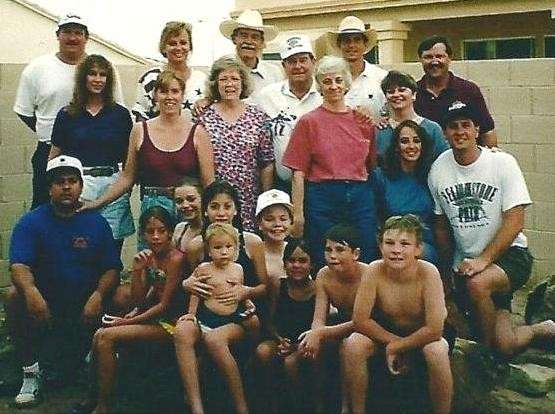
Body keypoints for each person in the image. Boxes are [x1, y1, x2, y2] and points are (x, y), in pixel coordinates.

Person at [428, 102, 555, 356]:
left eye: (466, 125)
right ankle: (542, 329)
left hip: (510, 256)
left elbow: (515, 221)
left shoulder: (502, 163)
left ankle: (484, 359)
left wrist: (483, 261)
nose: (460, 131)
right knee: (505, 345)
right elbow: (441, 226)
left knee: (478, 285)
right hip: (467, 263)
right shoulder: (439, 168)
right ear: (445, 132)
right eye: (453, 126)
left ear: (477, 130)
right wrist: (446, 271)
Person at [6, 155, 121, 408]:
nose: (66, 187)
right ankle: (30, 374)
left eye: (72, 181)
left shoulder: (96, 221)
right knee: (14, 296)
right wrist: (31, 293)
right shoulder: (31, 222)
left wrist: (98, 295)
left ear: (81, 186)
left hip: (87, 301)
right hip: (46, 303)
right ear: (49, 188)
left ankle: (97, 363)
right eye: (60, 182)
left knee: (123, 294)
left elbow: (112, 268)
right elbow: (19, 266)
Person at [81, 70, 214, 225]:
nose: (169, 97)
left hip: (188, 209)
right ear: (155, 96)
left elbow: (208, 182)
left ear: (182, 95)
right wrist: (97, 203)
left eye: (175, 91)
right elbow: (127, 177)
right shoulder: (140, 130)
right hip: (152, 209)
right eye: (163, 91)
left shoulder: (198, 133)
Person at [283, 56, 378, 267]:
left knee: (365, 255)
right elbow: (298, 172)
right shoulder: (308, 122)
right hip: (323, 197)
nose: (333, 86)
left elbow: (371, 166)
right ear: (319, 86)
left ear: (346, 83)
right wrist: (298, 214)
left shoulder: (362, 120)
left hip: (360, 196)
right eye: (327, 81)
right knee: (325, 257)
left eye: (338, 80)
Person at [88, 206, 185, 414]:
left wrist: (126, 322)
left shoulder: (176, 259)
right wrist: (138, 270)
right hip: (153, 318)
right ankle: (94, 396)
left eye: (161, 231)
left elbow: (164, 305)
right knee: (99, 335)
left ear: (170, 232)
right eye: (150, 232)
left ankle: (103, 406)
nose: (156, 237)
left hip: (172, 323)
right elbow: (138, 300)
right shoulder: (151, 257)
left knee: (106, 337)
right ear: (142, 234)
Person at [352, 215, 453, 414]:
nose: (396, 250)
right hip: (388, 331)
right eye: (389, 243)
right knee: (354, 344)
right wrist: (395, 343)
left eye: (405, 244)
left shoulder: (429, 272)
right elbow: (360, 320)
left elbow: (435, 329)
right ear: (380, 246)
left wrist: (397, 347)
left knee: (437, 350)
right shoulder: (374, 270)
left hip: (424, 335)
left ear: (418, 249)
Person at [49, 54, 134, 255]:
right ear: (83, 78)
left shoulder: (120, 115)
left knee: (111, 250)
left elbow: (129, 162)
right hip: (80, 186)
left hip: (113, 187)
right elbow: (54, 157)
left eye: (103, 75)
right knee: (80, 247)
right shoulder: (67, 114)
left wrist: (123, 190)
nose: (98, 79)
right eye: (92, 74)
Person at [176, 223, 255, 414]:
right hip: (207, 318)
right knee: (189, 336)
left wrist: (249, 303)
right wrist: (191, 314)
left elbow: (240, 291)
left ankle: (240, 404)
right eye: (218, 247)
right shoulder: (203, 268)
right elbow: (196, 292)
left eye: (228, 247)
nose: (224, 251)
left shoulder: (238, 269)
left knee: (217, 345)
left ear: (236, 249)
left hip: (232, 319)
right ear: (209, 251)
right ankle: (196, 405)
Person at [13, 14, 90, 209]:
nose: (72, 38)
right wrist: (53, 133)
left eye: (78, 33)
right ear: (58, 35)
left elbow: (115, 108)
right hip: (48, 151)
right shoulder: (37, 68)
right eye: (67, 32)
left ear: (86, 38)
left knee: (85, 211)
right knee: (45, 209)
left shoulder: (99, 67)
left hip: (90, 152)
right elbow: (24, 111)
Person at [298, 224, 369, 413]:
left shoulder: (368, 275)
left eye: (339, 250)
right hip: (342, 323)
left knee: (348, 346)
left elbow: (361, 322)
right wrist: (314, 335)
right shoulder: (323, 274)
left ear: (356, 253)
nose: (332, 256)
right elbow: (319, 317)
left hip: (370, 326)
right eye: (328, 250)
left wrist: (320, 333)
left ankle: (347, 407)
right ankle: (317, 406)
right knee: (309, 345)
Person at [199, 56, 275, 231]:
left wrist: (265, 199)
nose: (229, 84)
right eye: (223, 79)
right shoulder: (204, 117)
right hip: (217, 202)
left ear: (243, 82)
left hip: (249, 199)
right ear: (215, 84)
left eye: (234, 79)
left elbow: (266, 162)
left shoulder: (258, 117)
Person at [180, 180, 269, 318]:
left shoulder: (252, 242)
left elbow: (265, 287)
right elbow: (190, 281)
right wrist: (186, 284)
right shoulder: (195, 246)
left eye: (227, 207)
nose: (221, 213)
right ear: (205, 211)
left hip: (242, 314)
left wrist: (246, 292)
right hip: (206, 312)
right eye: (214, 207)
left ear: (236, 210)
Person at [252, 238, 316, 413]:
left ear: (311, 265)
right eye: (291, 260)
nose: (296, 265)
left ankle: (298, 407)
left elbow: (319, 325)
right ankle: (272, 404)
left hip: (307, 343)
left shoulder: (318, 288)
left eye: (302, 261)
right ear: (284, 263)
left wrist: (296, 346)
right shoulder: (277, 284)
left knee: (290, 363)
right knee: (263, 351)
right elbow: (270, 321)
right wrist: (280, 340)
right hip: (281, 339)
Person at [253, 34, 322, 192]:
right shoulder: (267, 96)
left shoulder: (326, 93)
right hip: (280, 185)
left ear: (313, 62)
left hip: (319, 186)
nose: (298, 66)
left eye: (303, 60)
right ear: (283, 65)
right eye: (292, 61)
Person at [373, 120, 439, 265]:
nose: (411, 146)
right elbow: (374, 217)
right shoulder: (381, 176)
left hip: (423, 243)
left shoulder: (432, 174)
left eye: (416, 141)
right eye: (404, 141)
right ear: (396, 147)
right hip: (391, 241)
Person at [414, 35, 497, 147]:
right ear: (420, 59)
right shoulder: (413, 93)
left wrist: (491, 154)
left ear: (449, 58)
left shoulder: (468, 90)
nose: (434, 61)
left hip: (462, 156)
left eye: (439, 56)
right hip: (427, 157)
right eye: (428, 57)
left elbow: (487, 130)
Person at [132, 21, 206, 122]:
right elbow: (141, 115)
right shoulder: (150, 78)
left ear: (190, 46)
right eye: (172, 43)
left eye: (183, 43)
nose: (178, 48)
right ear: (163, 47)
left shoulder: (202, 80)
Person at [376, 70, 449, 162]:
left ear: (414, 95)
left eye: (402, 90)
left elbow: (444, 161)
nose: (396, 94)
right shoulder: (380, 130)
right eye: (391, 92)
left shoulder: (432, 129)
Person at [326, 15, 387, 118]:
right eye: (347, 41)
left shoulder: (381, 77)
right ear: (339, 45)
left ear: (365, 44)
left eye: (357, 40)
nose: (351, 45)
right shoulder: (329, 79)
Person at [219, 9, 282, 99]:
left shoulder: (274, 73)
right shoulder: (221, 71)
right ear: (234, 39)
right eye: (244, 36)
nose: (249, 41)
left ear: (262, 43)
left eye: (255, 37)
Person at [255, 189, 294, 294]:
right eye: (269, 219)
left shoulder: (298, 251)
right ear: (259, 223)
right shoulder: (253, 254)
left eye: (283, 219)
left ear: (291, 221)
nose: (277, 224)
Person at [172, 178, 203, 253]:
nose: (185, 205)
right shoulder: (180, 229)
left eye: (191, 199)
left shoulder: (214, 230)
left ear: (203, 199)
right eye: (179, 201)